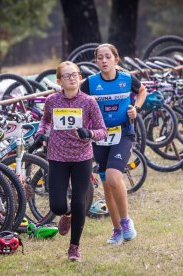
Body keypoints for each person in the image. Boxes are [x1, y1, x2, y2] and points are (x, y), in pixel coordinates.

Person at [33, 61, 107, 262]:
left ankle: (74, 248)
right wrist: (41, 133)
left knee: (78, 202)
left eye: (75, 74)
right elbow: (45, 120)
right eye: (67, 76)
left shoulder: (89, 101)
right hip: (57, 156)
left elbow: (102, 131)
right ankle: (65, 214)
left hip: (82, 157)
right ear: (59, 81)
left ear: (80, 77)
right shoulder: (52, 101)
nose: (72, 78)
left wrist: (89, 133)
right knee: (57, 205)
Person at [80, 43, 147, 245]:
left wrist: (136, 108)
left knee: (112, 175)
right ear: (96, 61)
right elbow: (75, 95)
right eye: (100, 58)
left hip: (123, 133)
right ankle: (117, 230)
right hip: (99, 136)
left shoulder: (126, 78)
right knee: (107, 185)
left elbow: (143, 91)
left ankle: (126, 221)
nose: (104, 61)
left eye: (107, 57)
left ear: (116, 60)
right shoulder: (90, 82)